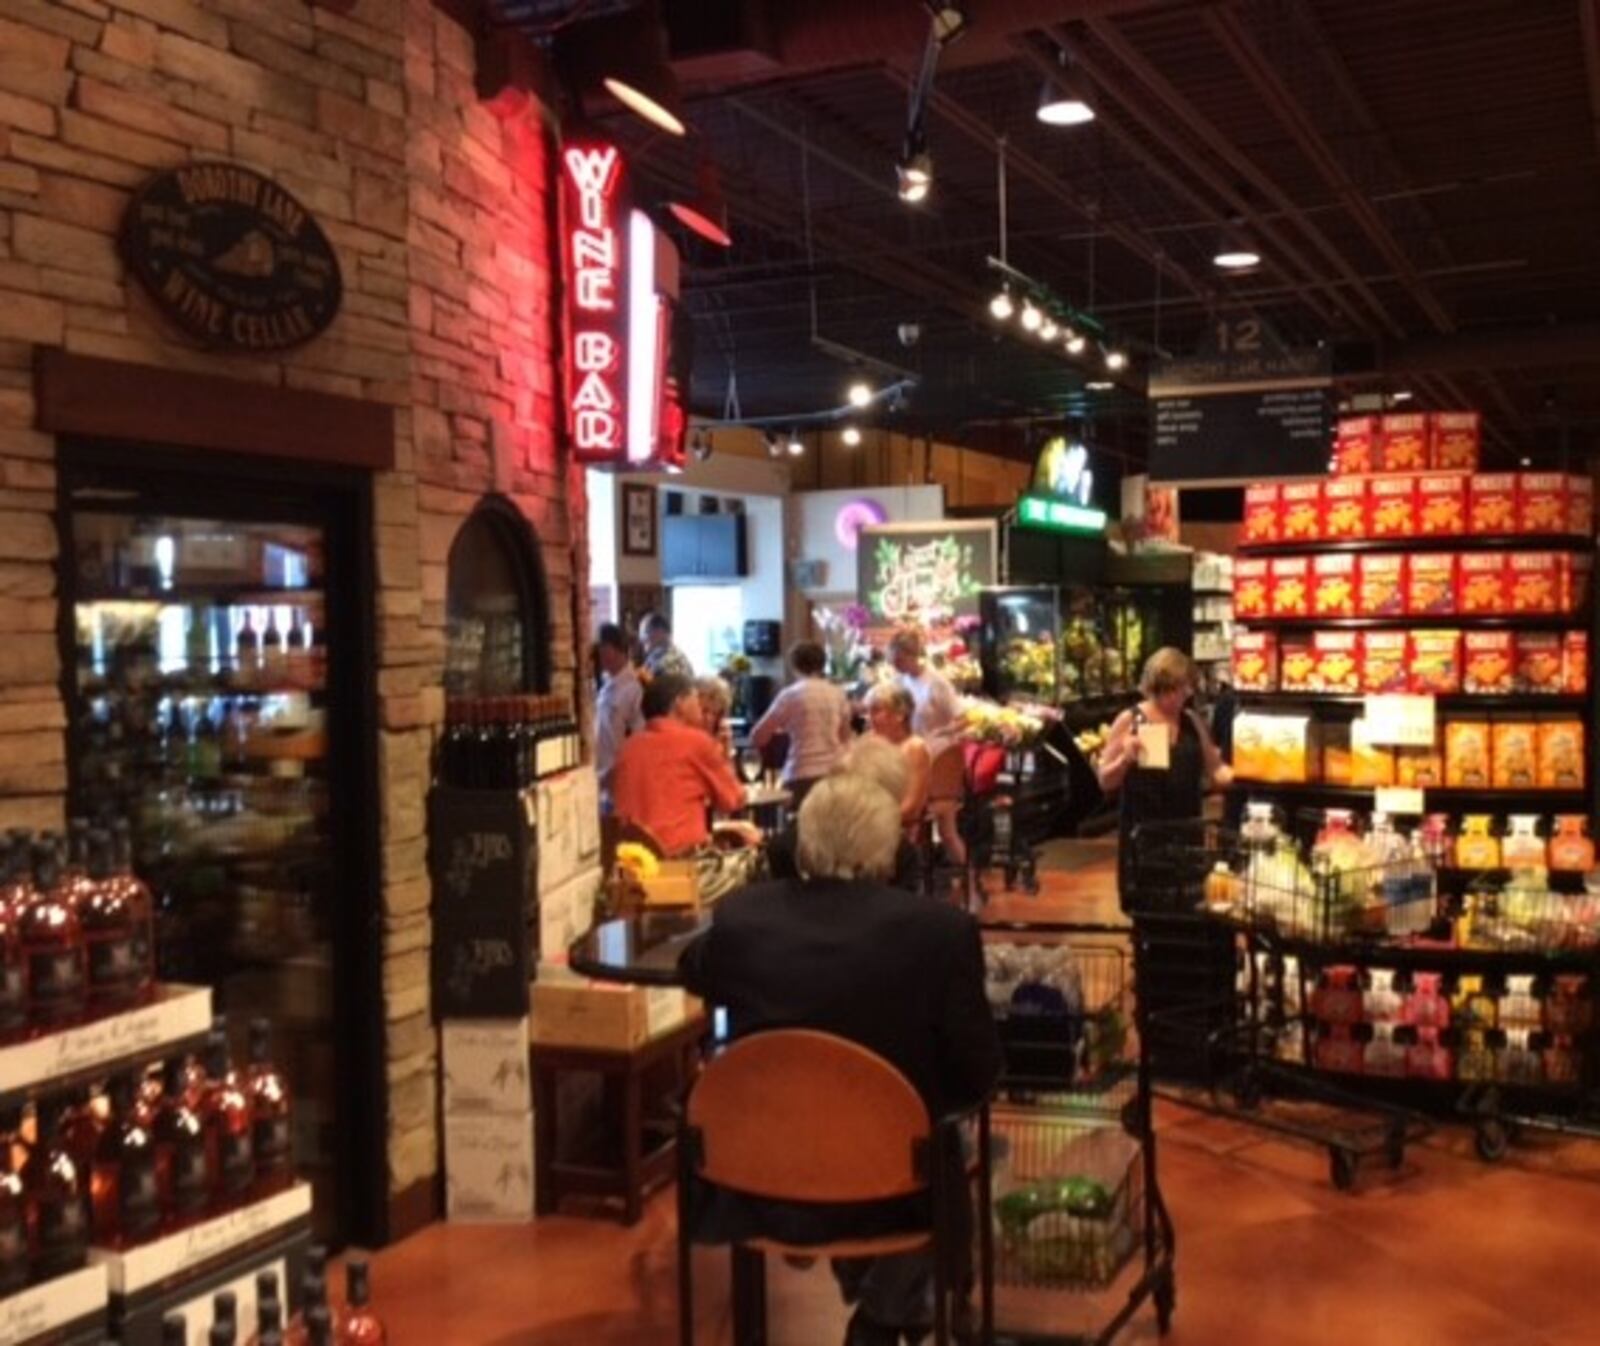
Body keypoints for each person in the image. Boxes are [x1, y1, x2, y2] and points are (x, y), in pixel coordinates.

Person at [678, 774, 1001, 1346]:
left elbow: (694, 968)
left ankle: (888, 1307)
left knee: (903, 1136)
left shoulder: (744, 919)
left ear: (803, 840)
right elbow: (979, 1073)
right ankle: (892, 1311)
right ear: (889, 849)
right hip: (890, 1191)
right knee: (948, 1143)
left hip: (754, 1177)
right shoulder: (939, 932)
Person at [1096, 646, 1234, 910]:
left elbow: (1216, 770)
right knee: (1149, 913)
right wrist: (1125, 759)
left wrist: (1251, 774)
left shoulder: (1191, 721)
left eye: (1186, 687)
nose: (1185, 694)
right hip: (1145, 840)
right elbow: (1105, 780)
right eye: (1178, 688)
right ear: (1158, 686)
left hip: (1187, 836)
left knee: (1188, 909)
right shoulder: (1130, 720)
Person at [611, 674, 745, 856]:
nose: (700, 705)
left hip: (634, 863)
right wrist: (726, 753)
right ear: (680, 703)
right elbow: (733, 800)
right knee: (751, 841)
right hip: (683, 862)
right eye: (696, 698)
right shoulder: (696, 743)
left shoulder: (627, 748)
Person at [887, 629, 966, 867]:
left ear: (912, 656)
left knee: (947, 832)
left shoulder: (936, 683)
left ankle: (963, 876)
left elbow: (962, 717)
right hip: (909, 754)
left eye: (899, 660)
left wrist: (945, 732)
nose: (895, 665)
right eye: (893, 661)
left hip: (937, 756)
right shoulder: (898, 683)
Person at [749, 641, 850, 807]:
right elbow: (845, 736)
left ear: (795, 665)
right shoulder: (838, 693)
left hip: (802, 771)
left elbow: (758, 736)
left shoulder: (791, 695)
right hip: (834, 772)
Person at [864, 682, 932, 827]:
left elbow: (912, 806)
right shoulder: (870, 742)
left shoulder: (915, 748)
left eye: (876, 711)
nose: (869, 718)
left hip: (898, 827)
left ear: (899, 715)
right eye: (868, 712)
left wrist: (873, 823)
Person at [594, 623, 643, 806]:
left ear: (618, 650)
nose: (601, 656)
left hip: (619, 778)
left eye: (604, 649)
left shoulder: (634, 690)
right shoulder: (606, 685)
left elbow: (638, 739)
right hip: (601, 778)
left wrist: (616, 772)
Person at [638, 610, 693, 680]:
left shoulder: (658, 662)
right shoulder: (682, 658)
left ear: (658, 632)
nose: (642, 641)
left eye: (644, 634)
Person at [694, 675, 735, 755]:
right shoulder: (682, 739)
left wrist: (727, 750)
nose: (709, 719)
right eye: (704, 711)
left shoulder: (721, 736)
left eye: (715, 714)